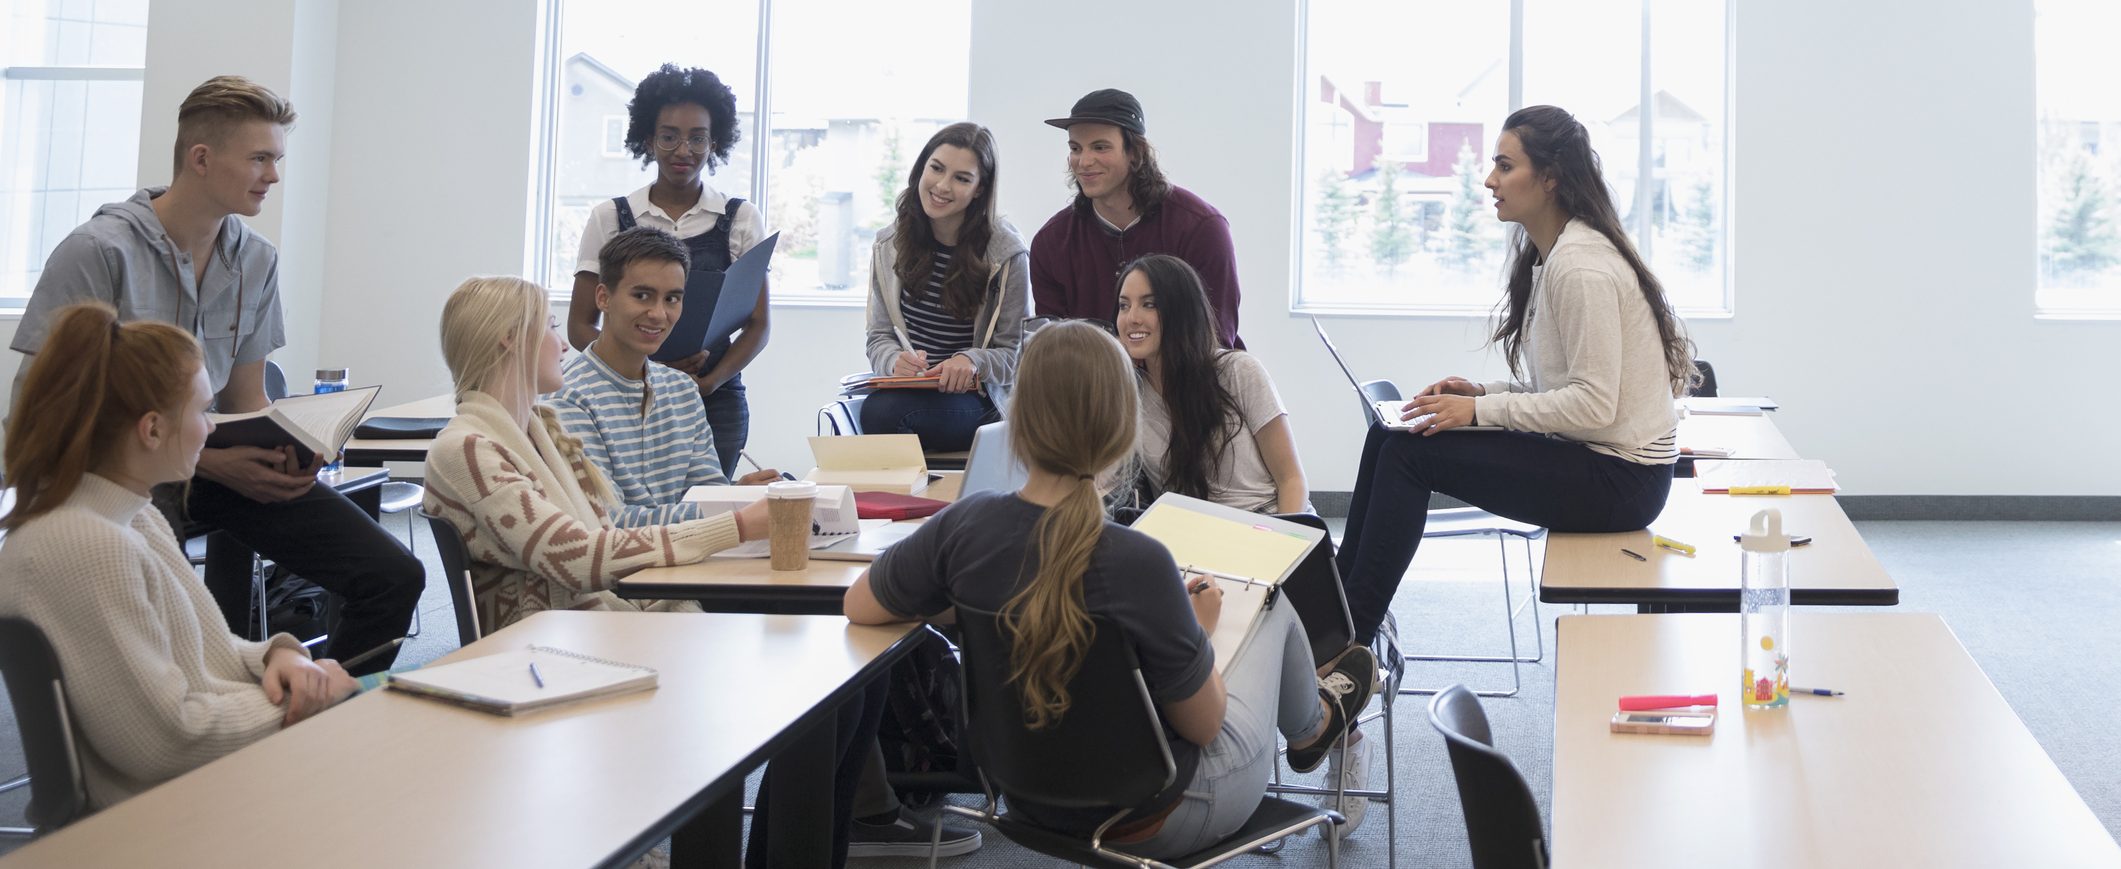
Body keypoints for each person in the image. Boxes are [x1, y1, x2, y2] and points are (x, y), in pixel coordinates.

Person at [844, 321, 1380, 855]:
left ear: (1017, 421)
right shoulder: (1140, 562)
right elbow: (1204, 723)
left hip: (1023, 799)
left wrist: (965, 604)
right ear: (1122, 430)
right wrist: (1202, 636)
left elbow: (859, 605)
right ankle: (1314, 723)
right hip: (1163, 815)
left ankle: (1314, 717)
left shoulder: (961, 528)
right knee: (1269, 601)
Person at [424, 275, 876, 868]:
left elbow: (602, 536)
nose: (563, 343)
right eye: (551, 329)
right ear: (512, 340)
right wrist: (736, 526)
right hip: (556, 647)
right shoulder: (469, 450)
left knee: (852, 681)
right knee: (819, 682)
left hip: (599, 624)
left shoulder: (540, 431)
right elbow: (581, 557)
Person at [9, 75, 422, 676]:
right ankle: (221, 709)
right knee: (174, 619)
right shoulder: (99, 251)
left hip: (203, 461)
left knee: (393, 576)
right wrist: (208, 459)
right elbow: (43, 409)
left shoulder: (256, 259)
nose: (273, 176)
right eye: (260, 158)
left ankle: (325, 711)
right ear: (201, 159)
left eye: (276, 159)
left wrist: (281, 453)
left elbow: (245, 401)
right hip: (113, 472)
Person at [1337, 105, 1697, 647]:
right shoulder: (1554, 257)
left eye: (1505, 167)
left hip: (1625, 480)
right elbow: (1566, 393)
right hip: (1600, 459)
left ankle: (1349, 644)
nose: (1490, 181)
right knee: (1390, 435)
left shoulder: (1580, 268)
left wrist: (1481, 411)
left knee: (1412, 455)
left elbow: (1592, 407)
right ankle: (1337, 611)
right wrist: (1481, 394)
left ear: (1549, 178)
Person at [0, 303, 359, 811]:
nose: (210, 428)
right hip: (161, 817)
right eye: (202, 410)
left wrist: (279, 656)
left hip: (198, 789)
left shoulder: (133, 515)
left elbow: (210, 652)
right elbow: (164, 741)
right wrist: (307, 702)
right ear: (151, 429)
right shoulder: (87, 544)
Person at [568, 64, 768, 480]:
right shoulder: (610, 216)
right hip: (622, 396)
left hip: (714, 397)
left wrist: (709, 383)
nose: (683, 149)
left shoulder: (741, 218)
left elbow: (758, 325)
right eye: (669, 136)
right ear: (648, 139)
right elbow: (579, 323)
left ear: (715, 142)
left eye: (698, 137)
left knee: (710, 513)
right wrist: (646, 372)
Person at [552, 226, 784, 530]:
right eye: (642, 296)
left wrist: (737, 494)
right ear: (603, 297)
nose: (659, 314)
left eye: (672, 299)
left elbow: (706, 494)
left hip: (689, 561)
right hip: (624, 573)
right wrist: (733, 507)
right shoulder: (568, 399)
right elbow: (609, 521)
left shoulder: (682, 390)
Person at [860, 122, 1029, 453]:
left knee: (882, 414)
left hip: (979, 399)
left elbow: (1017, 354)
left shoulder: (1007, 253)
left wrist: (971, 361)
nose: (941, 185)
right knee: (875, 411)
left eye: (961, 178)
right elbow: (878, 336)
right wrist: (894, 360)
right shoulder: (889, 244)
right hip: (910, 389)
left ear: (980, 189)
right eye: (936, 168)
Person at [1029, 88, 1244, 349]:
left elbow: (1216, 343)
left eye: (1100, 147)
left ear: (1135, 152)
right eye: (1076, 148)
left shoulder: (1201, 229)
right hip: (1093, 386)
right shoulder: (1051, 243)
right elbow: (1052, 351)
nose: (1083, 161)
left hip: (1189, 383)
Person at [1119, 254, 1308, 515]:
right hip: (1197, 540)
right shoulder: (1129, 395)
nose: (1132, 318)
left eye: (1149, 305)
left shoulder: (1238, 371)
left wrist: (1285, 544)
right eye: (1124, 306)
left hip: (1269, 523)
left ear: (1181, 311)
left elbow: (1292, 480)